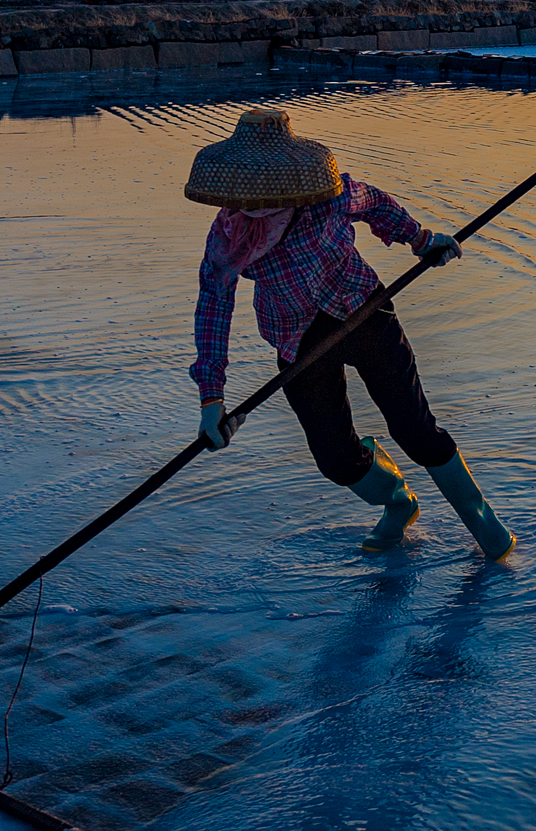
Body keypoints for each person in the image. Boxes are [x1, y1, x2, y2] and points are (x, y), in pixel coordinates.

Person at [183, 107, 514, 558]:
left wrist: (421, 240)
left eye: (260, 190)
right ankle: (398, 502)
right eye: (242, 191)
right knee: (334, 458)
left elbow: (376, 203)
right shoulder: (228, 235)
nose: (249, 203)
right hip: (294, 337)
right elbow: (214, 307)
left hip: (362, 311)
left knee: (414, 429)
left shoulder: (330, 196)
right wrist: (212, 399)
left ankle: (486, 527)